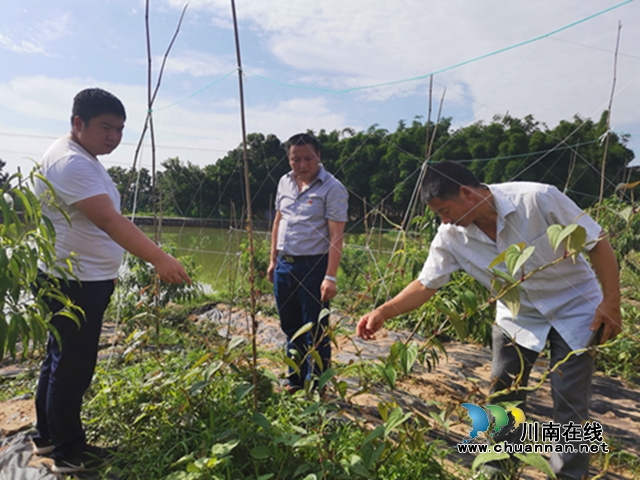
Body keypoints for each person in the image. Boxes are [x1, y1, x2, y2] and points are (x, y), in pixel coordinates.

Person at [356, 161, 621, 479]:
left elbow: (597, 241)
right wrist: (383, 311)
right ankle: (498, 469)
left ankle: (569, 476)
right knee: (503, 396)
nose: (444, 219)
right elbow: (426, 284)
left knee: (569, 402)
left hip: (577, 309)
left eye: (444, 210)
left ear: (466, 193)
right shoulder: (451, 236)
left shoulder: (538, 199)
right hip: (517, 316)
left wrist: (612, 301)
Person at [32, 88, 192, 474]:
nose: (114, 137)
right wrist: (159, 258)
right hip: (75, 282)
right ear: (78, 123)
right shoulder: (73, 164)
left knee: (59, 358)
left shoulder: (77, 154)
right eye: (106, 127)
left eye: (120, 129)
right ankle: (68, 452)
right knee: (73, 365)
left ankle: (48, 435)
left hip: (72, 276)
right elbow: (109, 220)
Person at [267, 133, 348, 393]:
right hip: (284, 266)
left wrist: (330, 276)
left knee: (316, 330)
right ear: (289, 159)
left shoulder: (332, 188)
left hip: (314, 267)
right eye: (295, 159)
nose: (302, 165)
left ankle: (317, 386)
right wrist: (273, 260)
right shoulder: (284, 182)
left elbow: (337, 235)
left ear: (318, 156)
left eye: (307, 158)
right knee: (290, 326)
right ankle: (296, 380)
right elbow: (278, 222)